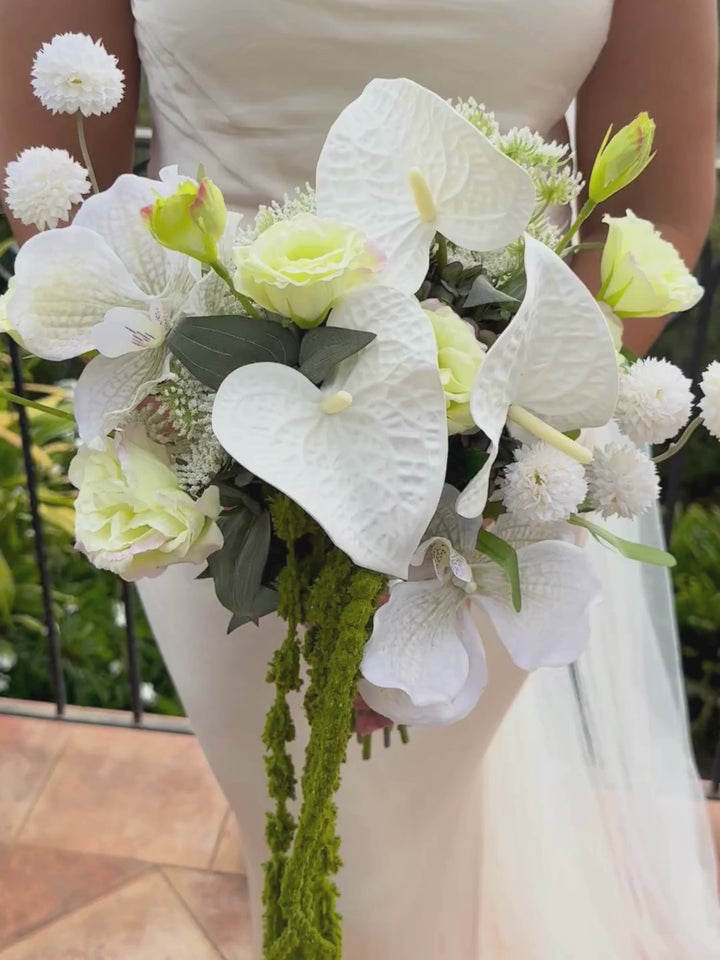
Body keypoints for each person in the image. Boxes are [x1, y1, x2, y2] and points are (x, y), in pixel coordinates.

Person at [1, 1, 719, 957]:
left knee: (392, 860)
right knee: (296, 829)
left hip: (500, 471)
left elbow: (658, 201)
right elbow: (48, 178)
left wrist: (480, 445)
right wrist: (194, 417)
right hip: (207, 453)